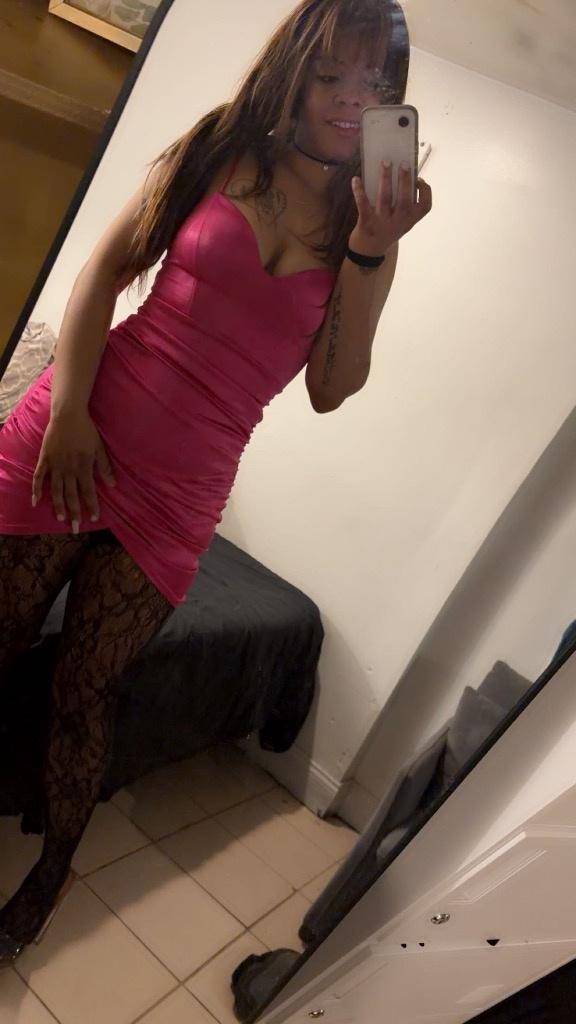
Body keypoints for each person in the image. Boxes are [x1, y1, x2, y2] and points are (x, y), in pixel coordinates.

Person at [0, 0, 431, 963]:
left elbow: (331, 388)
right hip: (79, 429)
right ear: (295, 71)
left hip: (181, 493)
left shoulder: (369, 229)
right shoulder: (220, 146)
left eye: (376, 84)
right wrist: (66, 412)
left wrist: (371, 247)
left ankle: (50, 875)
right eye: (333, 75)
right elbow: (104, 271)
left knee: (86, 694)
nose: (352, 100)